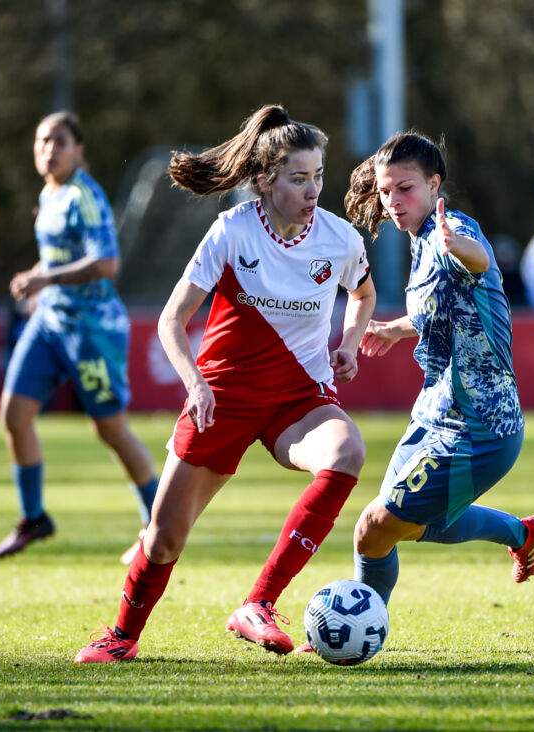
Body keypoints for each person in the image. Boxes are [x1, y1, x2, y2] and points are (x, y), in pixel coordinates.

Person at [73, 105, 376, 663]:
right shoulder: (231, 231)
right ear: (265, 181)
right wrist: (195, 384)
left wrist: (349, 343)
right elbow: (171, 320)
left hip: (298, 399)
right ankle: (121, 637)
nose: (312, 190)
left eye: (318, 177)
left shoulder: (340, 239)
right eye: (298, 178)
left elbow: (362, 293)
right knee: (163, 540)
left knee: (347, 451)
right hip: (222, 400)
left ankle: (258, 603)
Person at [319, 131, 534, 631]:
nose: (393, 202)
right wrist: (397, 329)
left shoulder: (452, 229)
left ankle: (357, 629)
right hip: (434, 413)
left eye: (404, 189)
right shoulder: (419, 240)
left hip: (481, 427)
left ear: (434, 184)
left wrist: (460, 246)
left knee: (375, 528)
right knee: (391, 528)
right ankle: (522, 533)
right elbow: (446, 308)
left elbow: (479, 262)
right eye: (385, 192)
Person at [0, 111, 159, 561]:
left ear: (78, 150)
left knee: (111, 430)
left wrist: (45, 279)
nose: (49, 150)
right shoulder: (50, 193)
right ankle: (34, 518)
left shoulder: (85, 196)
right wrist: (39, 278)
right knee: (13, 415)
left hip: (91, 330)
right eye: (42, 141)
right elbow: (60, 257)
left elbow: (106, 264)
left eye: (60, 142)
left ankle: (158, 521)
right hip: (50, 323)